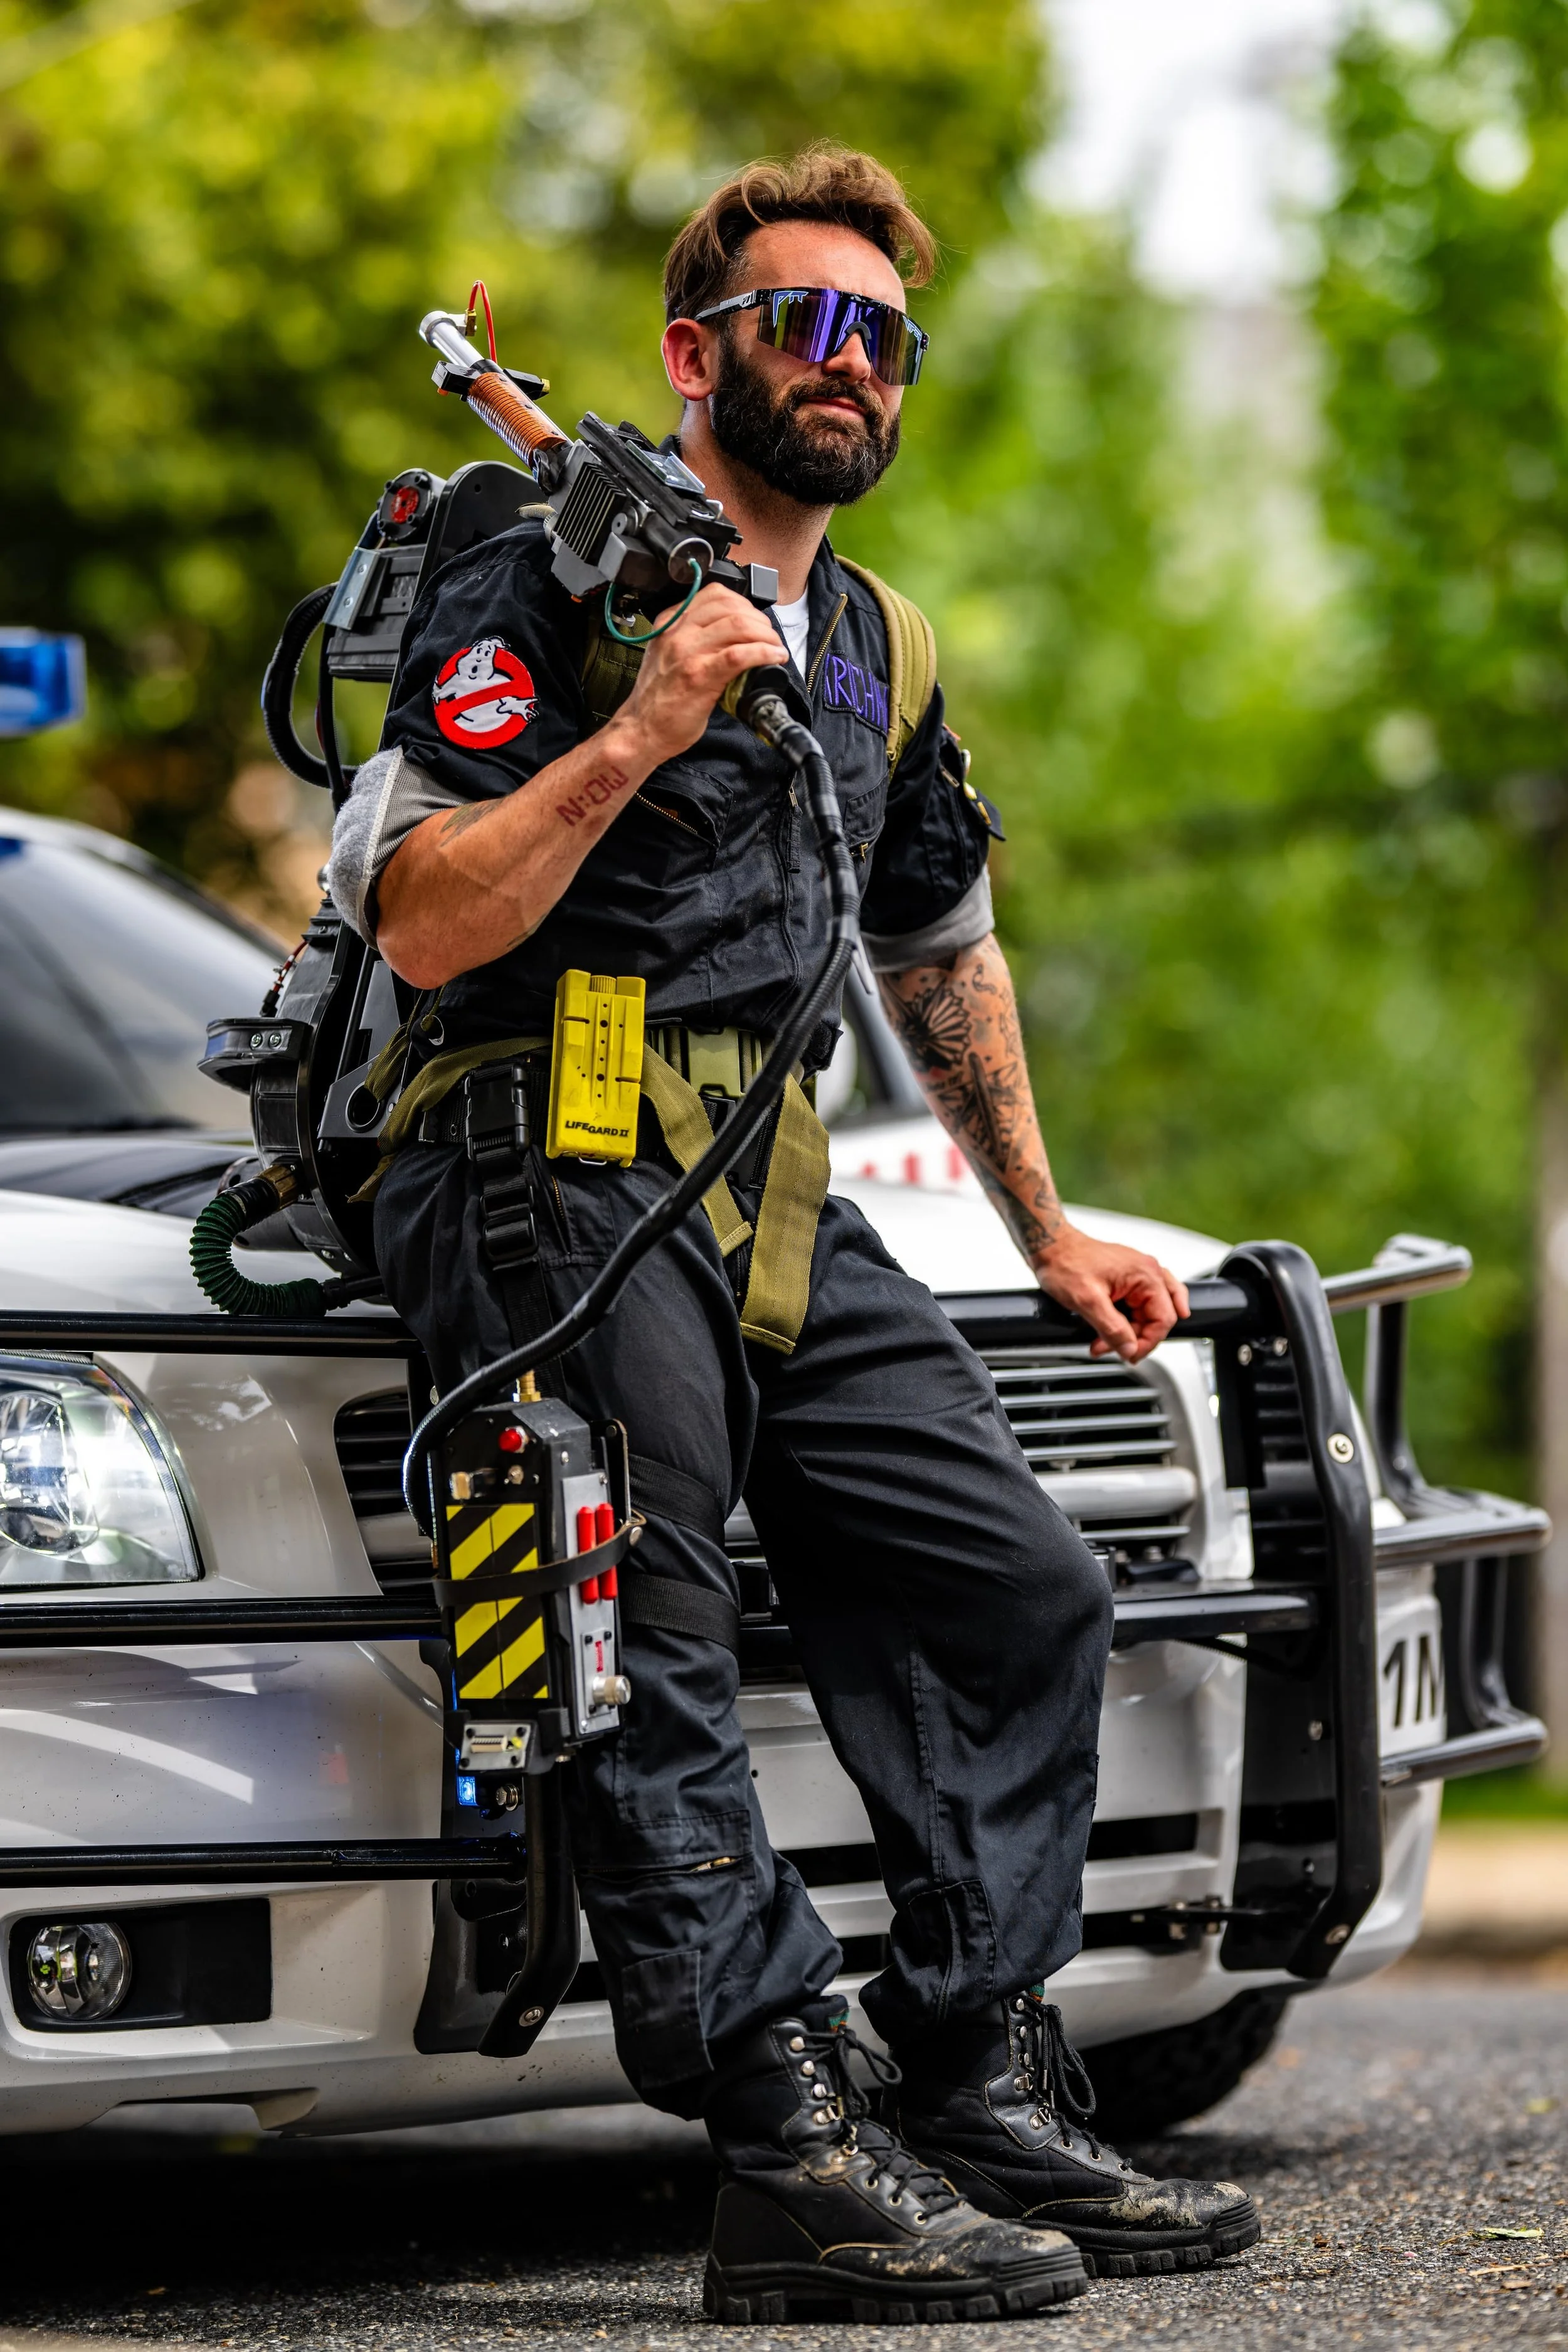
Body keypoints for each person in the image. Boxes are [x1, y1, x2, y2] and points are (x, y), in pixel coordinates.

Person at [329, 144, 1258, 2321]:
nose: (842, 361)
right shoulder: (528, 558)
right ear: (693, 353)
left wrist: (1039, 1233)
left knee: (1015, 1586)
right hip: (533, 1136)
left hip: (760, 1170)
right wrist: (645, 722)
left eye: (879, 334)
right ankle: (784, 2139)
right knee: (627, 1622)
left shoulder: (879, 647)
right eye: (797, 320)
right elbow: (422, 903)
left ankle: (976, 2074)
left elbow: (942, 945)